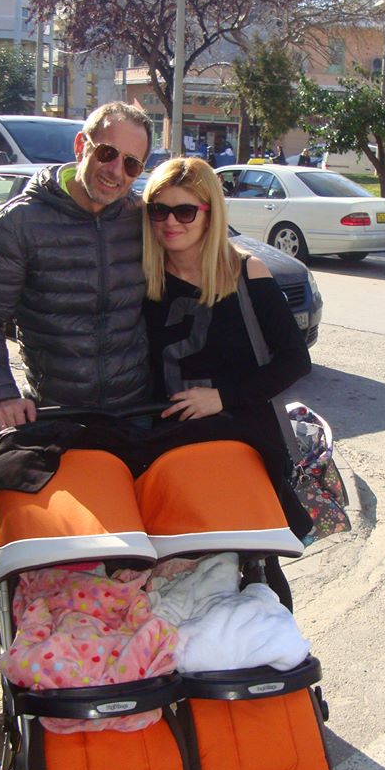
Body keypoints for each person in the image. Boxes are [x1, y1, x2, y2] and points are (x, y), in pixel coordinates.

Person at [0, 101, 154, 726]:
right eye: (108, 154)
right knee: (4, 538)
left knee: (150, 540)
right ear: (82, 146)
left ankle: (137, 664)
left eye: (132, 163)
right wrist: (0, 395)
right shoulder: (18, 222)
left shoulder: (142, 219)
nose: (117, 172)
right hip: (56, 413)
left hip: (134, 411)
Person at [140, 157, 311, 532]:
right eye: (159, 210)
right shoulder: (141, 277)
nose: (170, 222)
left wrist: (222, 397)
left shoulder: (247, 273)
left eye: (185, 211)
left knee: (244, 553)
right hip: (163, 444)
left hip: (238, 437)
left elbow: (295, 360)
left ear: (209, 214)